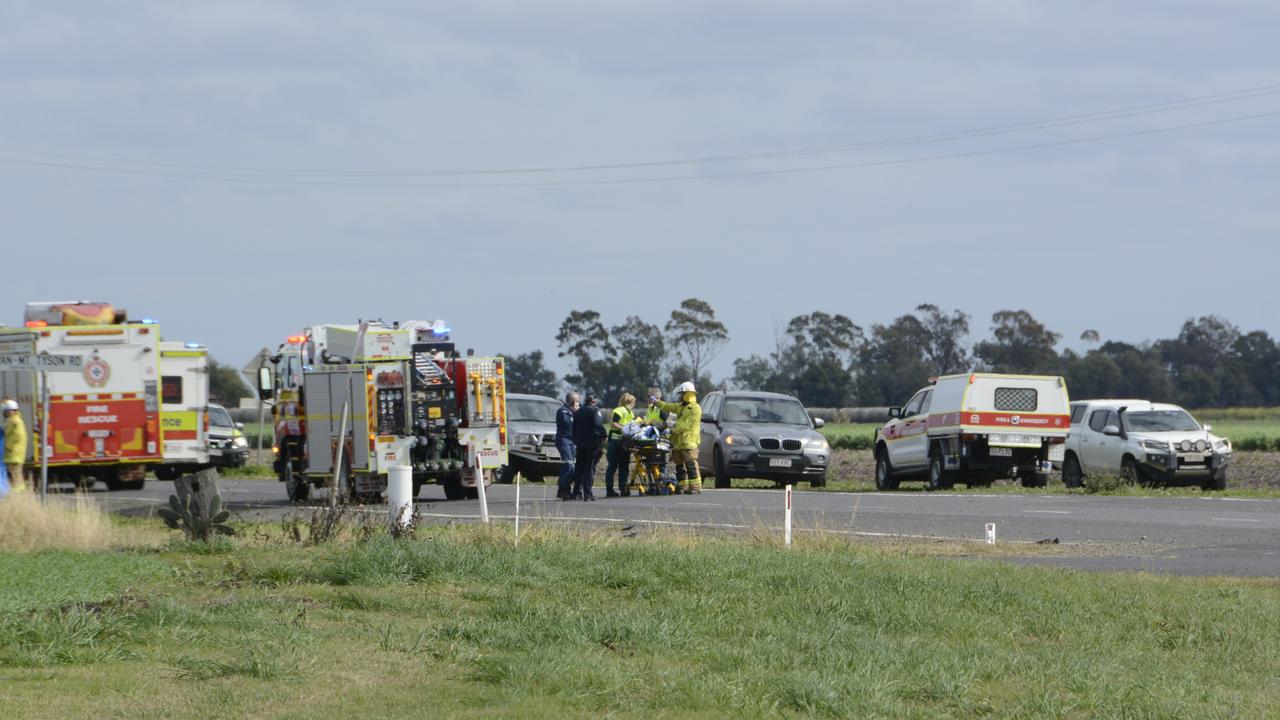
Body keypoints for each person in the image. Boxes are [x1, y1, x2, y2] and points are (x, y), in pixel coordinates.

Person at [654, 382, 702, 494]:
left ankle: (695, 487)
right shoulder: (681, 407)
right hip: (678, 443)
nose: (680, 396)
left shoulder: (694, 408)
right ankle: (682, 486)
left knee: (691, 465)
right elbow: (669, 406)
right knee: (679, 466)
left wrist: (671, 428)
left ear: (687, 394)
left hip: (688, 442)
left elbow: (685, 425)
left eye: (682, 394)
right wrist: (657, 403)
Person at [604, 393, 637, 497]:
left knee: (624, 466)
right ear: (630, 402)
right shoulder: (619, 410)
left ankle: (623, 489)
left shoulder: (630, 413)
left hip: (625, 442)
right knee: (613, 466)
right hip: (615, 441)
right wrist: (623, 428)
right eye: (634, 402)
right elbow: (613, 423)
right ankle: (610, 490)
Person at [573, 395, 604, 501]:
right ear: (593, 401)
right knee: (589, 469)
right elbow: (599, 427)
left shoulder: (577, 412)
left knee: (579, 468)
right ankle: (588, 493)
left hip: (580, 444)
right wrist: (603, 437)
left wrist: (575, 441)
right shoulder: (595, 411)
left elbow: (574, 429)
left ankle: (577, 492)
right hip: (592, 445)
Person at [555, 392, 579, 501]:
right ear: (572, 401)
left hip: (572, 441)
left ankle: (564, 490)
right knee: (568, 465)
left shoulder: (572, 411)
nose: (578, 404)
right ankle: (563, 489)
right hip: (564, 440)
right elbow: (568, 423)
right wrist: (575, 413)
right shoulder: (563, 411)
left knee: (571, 466)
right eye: (577, 401)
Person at [3, 399, 26, 493]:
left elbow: (18, 435)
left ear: (13, 410)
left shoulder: (15, 421)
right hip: (14, 453)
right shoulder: (13, 420)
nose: (5, 412)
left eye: (7, 410)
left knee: (16, 474)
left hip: (14, 453)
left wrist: (8, 446)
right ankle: (19, 491)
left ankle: (18, 493)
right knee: (16, 474)